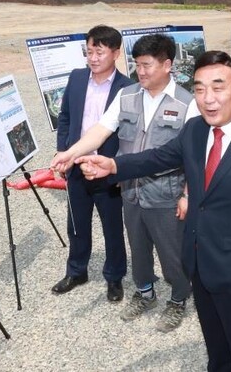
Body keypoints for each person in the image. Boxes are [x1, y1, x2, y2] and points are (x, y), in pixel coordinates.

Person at [75, 51, 231, 371]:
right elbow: (157, 158)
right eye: (200, 89)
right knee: (215, 341)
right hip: (197, 261)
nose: (208, 99)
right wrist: (113, 165)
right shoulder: (194, 130)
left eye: (218, 88)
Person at [52, 34, 197, 333]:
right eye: (137, 65)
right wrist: (70, 153)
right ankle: (144, 292)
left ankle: (178, 299)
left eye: (146, 65)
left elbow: (196, 159)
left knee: (172, 253)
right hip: (131, 192)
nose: (140, 72)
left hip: (167, 195)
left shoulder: (187, 104)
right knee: (138, 250)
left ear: (167, 65)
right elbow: (100, 131)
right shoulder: (127, 96)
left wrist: (188, 194)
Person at [50, 25, 130, 303]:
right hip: (75, 167)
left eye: (100, 52)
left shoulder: (127, 88)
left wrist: (118, 166)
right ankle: (77, 270)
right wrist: (64, 153)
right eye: (89, 51)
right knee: (76, 224)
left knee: (112, 227)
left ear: (116, 53)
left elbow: (129, 136)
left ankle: (115, 277)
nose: (93, 58)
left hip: (106, 170)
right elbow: (65, 118)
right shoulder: (76, 77)